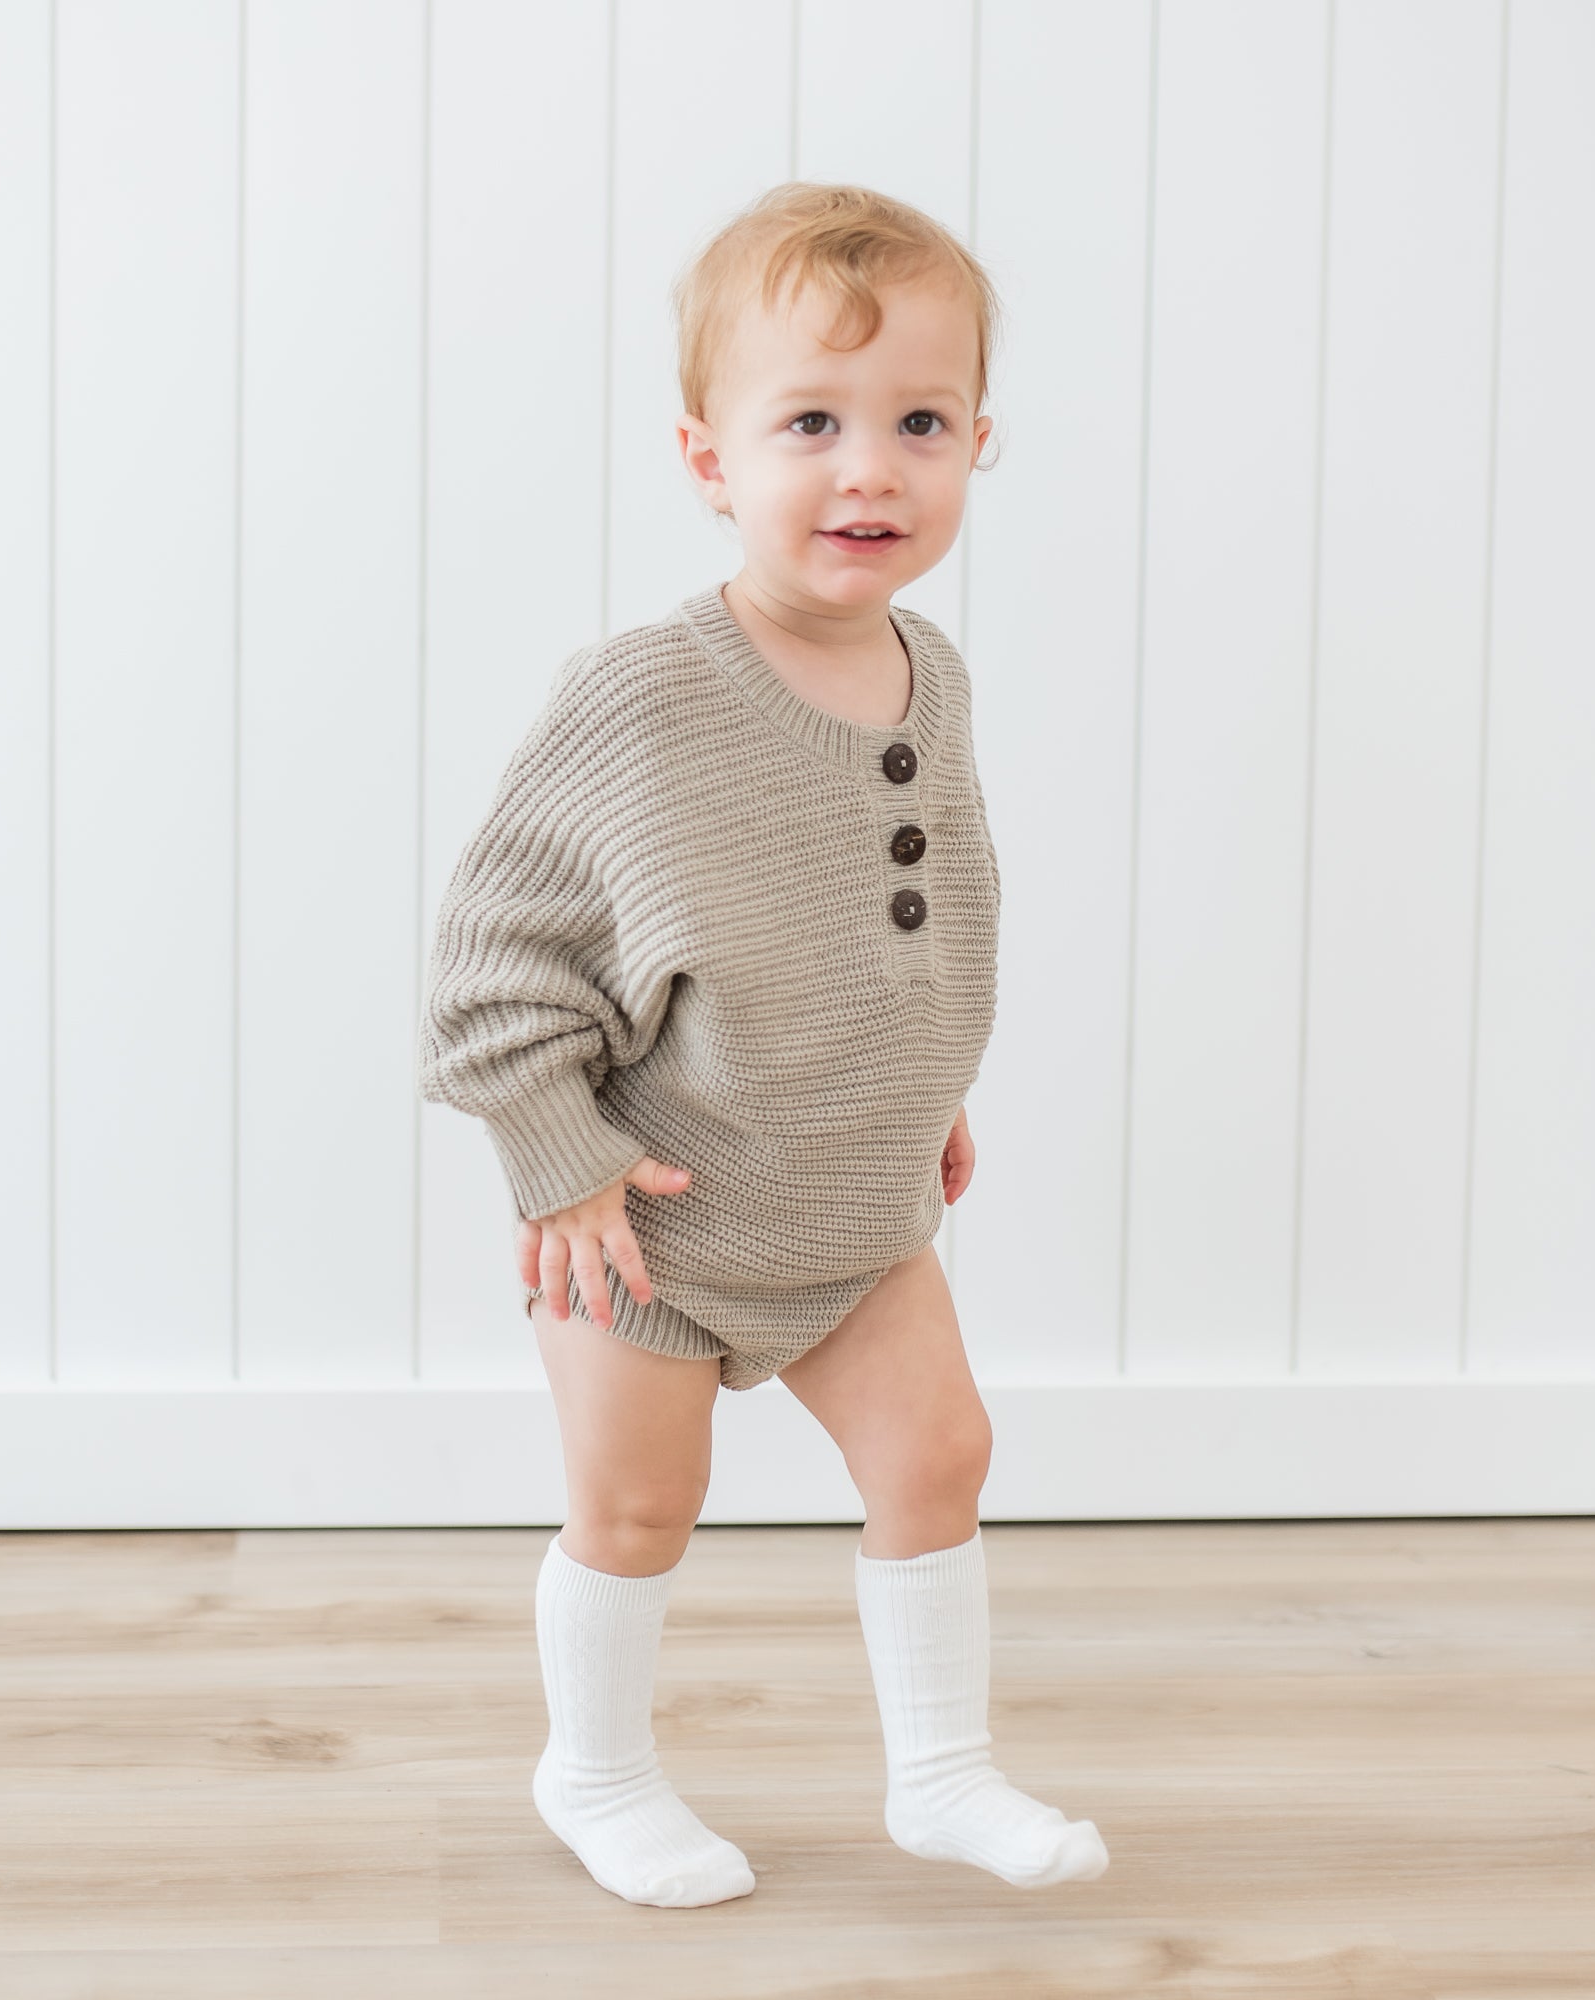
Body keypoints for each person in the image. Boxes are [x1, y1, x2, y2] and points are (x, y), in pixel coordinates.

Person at [418, 181, 1109, 1909]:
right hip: (647, 1213)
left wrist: (925, 1088)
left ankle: (942, 1773)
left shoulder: (924, 676)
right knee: (641, 1505)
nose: (869, 467)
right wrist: (561, 1162)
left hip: (851, 1194)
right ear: (709, 457)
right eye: (811, 421)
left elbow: (930, 904)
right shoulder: (646, 695)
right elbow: (497, 956)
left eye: (920, 424)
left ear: (976, 448)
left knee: (940, 1451)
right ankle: (596, 1769)